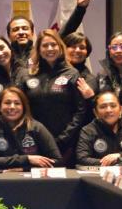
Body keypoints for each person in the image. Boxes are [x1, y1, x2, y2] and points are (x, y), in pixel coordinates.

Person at [17, 29, 90, 161]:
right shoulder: (28, 75)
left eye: (53, 44)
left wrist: (64, 138)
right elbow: (20, 109)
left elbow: (80, 110)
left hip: (65, 143)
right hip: (34, 141)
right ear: (38, 49)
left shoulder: (72, 73)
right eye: (45, 45)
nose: (50, 48)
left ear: (60, 47)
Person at [0, 87, 61, 171]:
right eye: (7, 103)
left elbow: (57, 160)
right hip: (2, 178)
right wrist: (27, 159)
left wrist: (23, 169)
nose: (12, 107)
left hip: (32, 178)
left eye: (17, 103)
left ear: (23, 107)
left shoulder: (37, 127)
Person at [62, 32, 98, 101]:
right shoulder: (55, 71)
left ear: (87, 52)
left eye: (82, 48)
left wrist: (90, 97)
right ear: (64, 49)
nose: (78, 50)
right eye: (73, 46)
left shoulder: (89, 80)